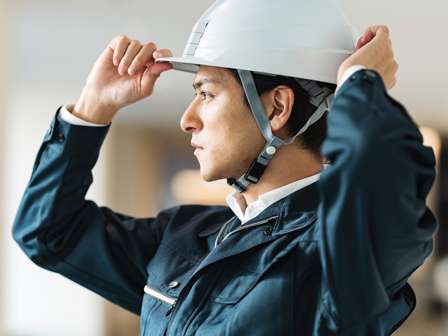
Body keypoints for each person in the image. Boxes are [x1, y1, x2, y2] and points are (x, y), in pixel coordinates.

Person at [12, 0, 437, 335]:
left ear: (277, 107)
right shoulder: (186, 239)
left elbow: (387, 177)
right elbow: (47, 231)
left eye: (207, 94)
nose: (187, 118)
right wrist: (91, 110)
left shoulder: (341, 248)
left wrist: (360, 82)